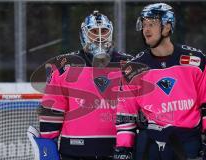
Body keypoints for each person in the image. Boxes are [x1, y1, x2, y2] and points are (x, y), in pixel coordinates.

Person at [113, 3, 206, 160]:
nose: (146, 30)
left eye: (152, 24)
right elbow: (125, 115)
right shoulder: (133, 68)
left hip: (188, 144)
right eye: (144, 25)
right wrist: (124, 149)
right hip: (150, 147)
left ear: (167, 26)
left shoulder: (196, 61)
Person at [28, 10, 133, 160]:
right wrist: (48, 148)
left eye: (103, 31)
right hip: (74, 151)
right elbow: (52, 112)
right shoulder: (65, 66)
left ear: (110, 33)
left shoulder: (128, 64)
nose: (99, 37)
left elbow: (136, 109)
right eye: (93, 32)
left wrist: (131, 145)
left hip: (117, 151)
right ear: (83, 34)